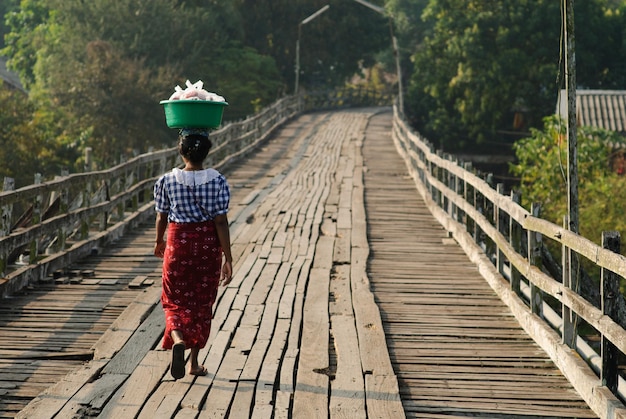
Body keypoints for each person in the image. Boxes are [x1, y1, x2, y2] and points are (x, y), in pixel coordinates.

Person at [153, 128, 233, 379]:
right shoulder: (218, 180)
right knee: (201, 302)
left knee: (173, 298)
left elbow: (161, 216)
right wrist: (228, 258)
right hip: (207, 247)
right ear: (207, 152)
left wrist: (158, 241)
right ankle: (194, 363)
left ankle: (177, 337)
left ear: (181, 151)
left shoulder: (166, 181)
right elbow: (221, 221)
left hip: (178, 243)